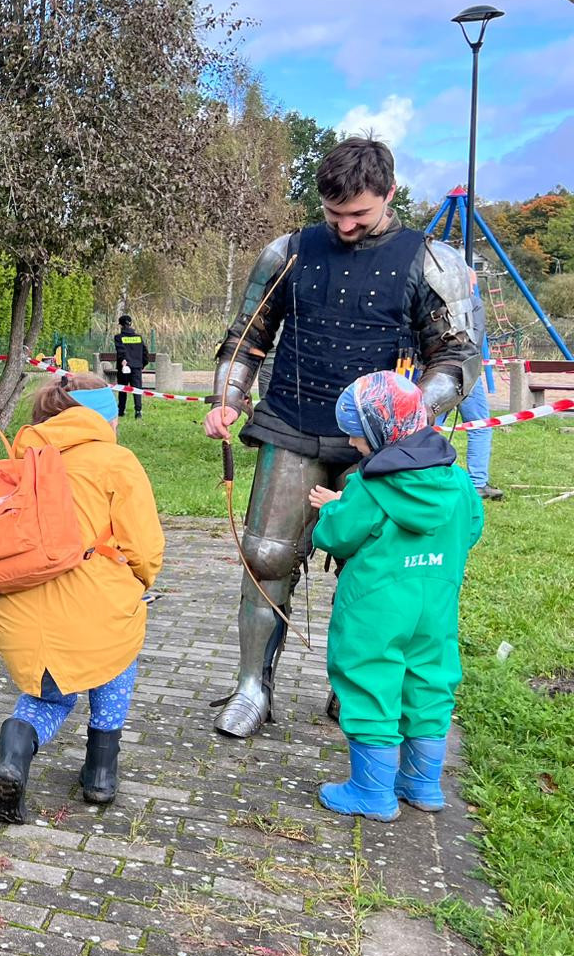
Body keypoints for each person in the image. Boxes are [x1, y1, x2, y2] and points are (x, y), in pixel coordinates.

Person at [203, 137, 481, 739]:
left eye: (359, 213)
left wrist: (408, 413)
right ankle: (253, 686)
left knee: (371, 569)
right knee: (266, 556)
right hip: (292, 422)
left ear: (387, 194)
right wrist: (227, 399)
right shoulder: (288, 253)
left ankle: (357, 689)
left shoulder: (432, 261)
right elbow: (246, 339)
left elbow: (458, 356)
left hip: (383, 443)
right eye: (335, 215)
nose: (346, 226)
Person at [0, 374, 165, 823]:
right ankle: (100, 774)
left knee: (49, 696)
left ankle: (14, 758)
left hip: (22, 611)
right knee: (114, 661)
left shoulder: (17, 460)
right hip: (97, 605)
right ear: (103, 417)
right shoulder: (116, 462)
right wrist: (140, 581)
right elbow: (143, 546)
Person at [308, 371, 484, 820]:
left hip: (375, 609)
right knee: (430, 681)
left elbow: (337, 536)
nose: (352, 445)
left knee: (371, 682)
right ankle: (422, 785)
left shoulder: (370, 486)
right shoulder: (459, 480)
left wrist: (333, 506)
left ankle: (372, 793)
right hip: (436, 606)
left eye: (357, 436)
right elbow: (471, 528)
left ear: (381, 432)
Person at [457, 269, 503, 500]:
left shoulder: (430, 303)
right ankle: (477, 482)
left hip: (433, 371)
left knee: (430, 427)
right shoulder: (473, 303)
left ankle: (426, 474)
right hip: (464, 371)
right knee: (480, 426)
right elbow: (473, 340)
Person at [113, 314, 148, 419]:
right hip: (136, 367)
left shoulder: (119, 337)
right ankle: (138, 411)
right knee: (137, 390)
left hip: (124, 367)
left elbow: (120, 350)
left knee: (123, 389)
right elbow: (145, 352)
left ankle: (121, 411)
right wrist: (142, 364)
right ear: (130, 324)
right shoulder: (138, 337)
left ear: (121, 325)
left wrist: (123, 360)